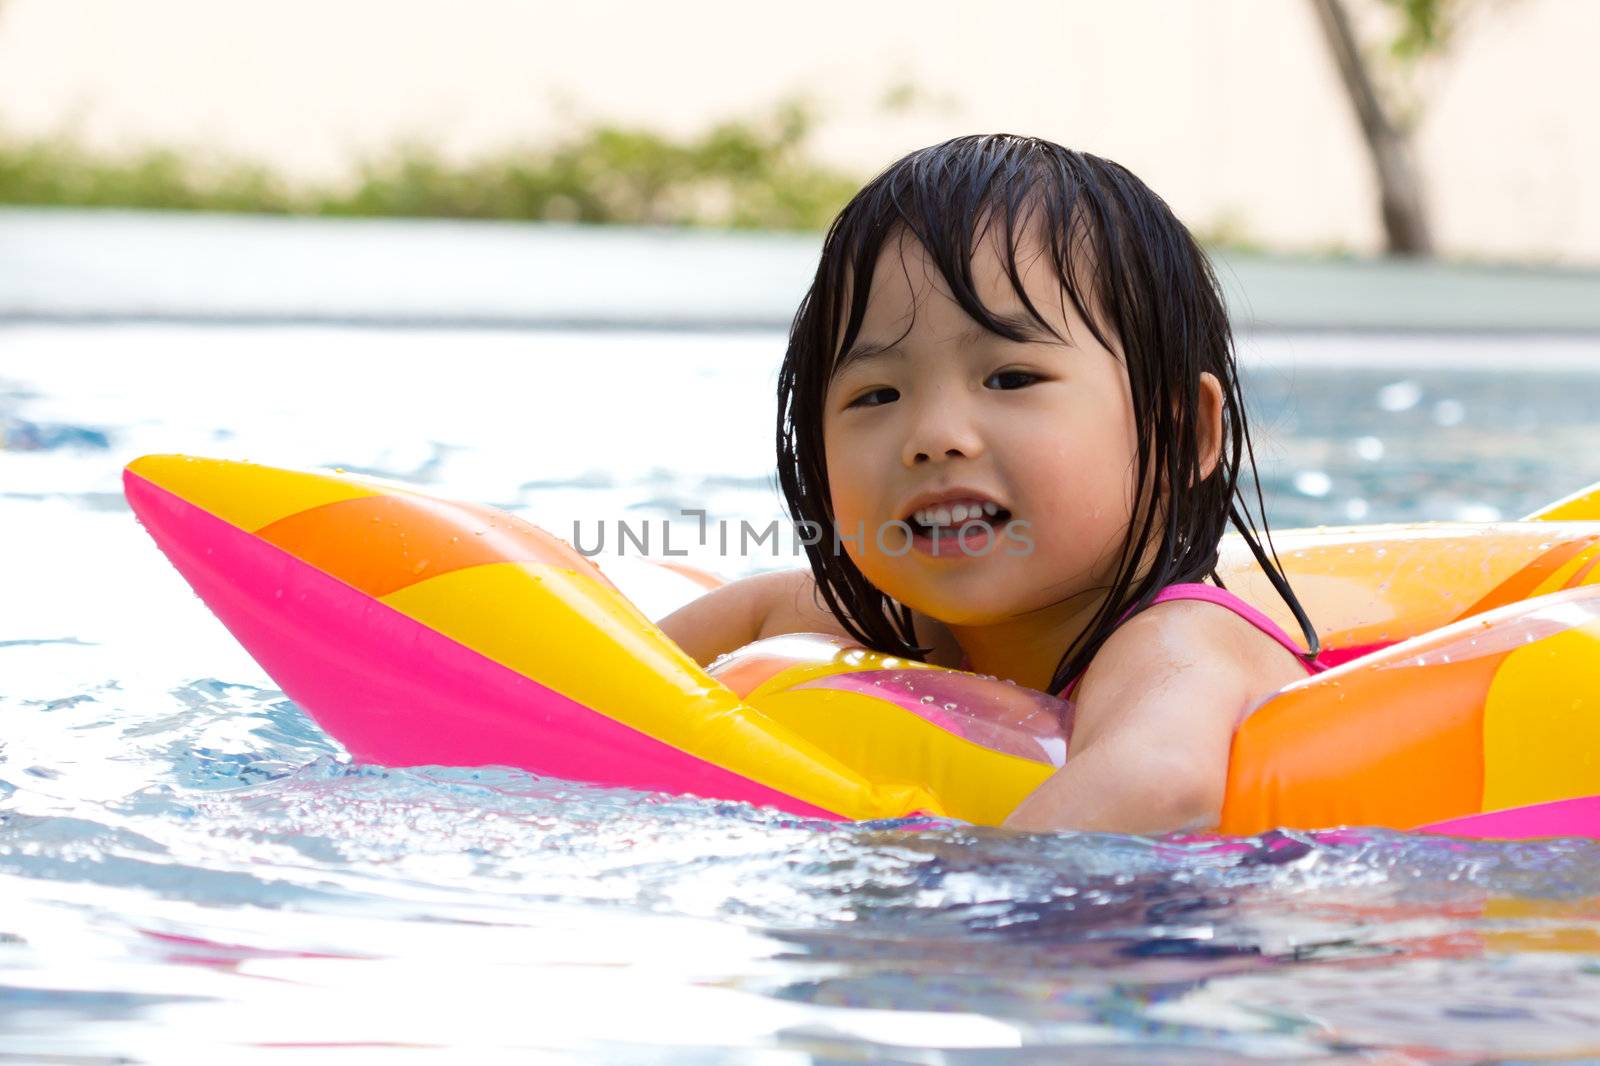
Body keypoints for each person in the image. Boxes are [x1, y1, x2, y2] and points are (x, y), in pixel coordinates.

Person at [659, 134, 1326, 834]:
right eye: (877, 395)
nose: (935, 435)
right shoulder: (886, 625)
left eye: (1011, 379)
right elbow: (674, 650)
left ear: (1185, 433)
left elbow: (1163, 785)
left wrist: (949, 910)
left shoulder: (1178, 640)